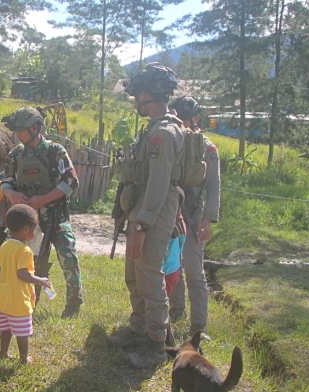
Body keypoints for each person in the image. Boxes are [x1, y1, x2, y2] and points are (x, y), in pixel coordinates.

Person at [105, 63, 184, 369]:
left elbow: (159, 183)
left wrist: (141, 224)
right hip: (142, 210)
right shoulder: (153, 128)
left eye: (137, 94)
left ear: (149, 94)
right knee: (134, 276)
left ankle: (155, 345)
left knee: (150, 279)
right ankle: (138, 329)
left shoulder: (163, 132)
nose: (135, 101)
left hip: (153, 212)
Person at [0, 107, 82, 318]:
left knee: (68, 255)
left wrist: (42, 200)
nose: (18, 135)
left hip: (54, 214)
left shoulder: (55, 151)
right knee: (25, 261)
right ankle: (24, 301)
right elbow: (6, 182)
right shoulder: (15, 154)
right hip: (26, 218)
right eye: (17, 131)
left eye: (22, 130)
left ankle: (74, 302)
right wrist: (12, 195)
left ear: (35, 128)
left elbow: (71, 182)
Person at [167, 95, 221, 335]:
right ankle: (176, 310)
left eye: (184, 119)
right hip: (170, 214)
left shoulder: (207, 148)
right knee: (172, 266)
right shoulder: (171, 141)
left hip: (194, 215)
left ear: (195, 119)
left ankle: (199, 325)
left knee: (194, 271)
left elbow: (214, 186)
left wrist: (207, 219)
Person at [0, 204, 51, 364]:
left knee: (5, 330)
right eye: (34, 228)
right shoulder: (25, 251)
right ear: (26, 229)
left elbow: (2, 268)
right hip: (18, 299)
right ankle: (24, 358)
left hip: (3, 298)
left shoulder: (5, 245)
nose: (34, 232)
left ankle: (3, 353)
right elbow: (22, 274)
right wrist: (40, 280)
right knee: (22, 332)